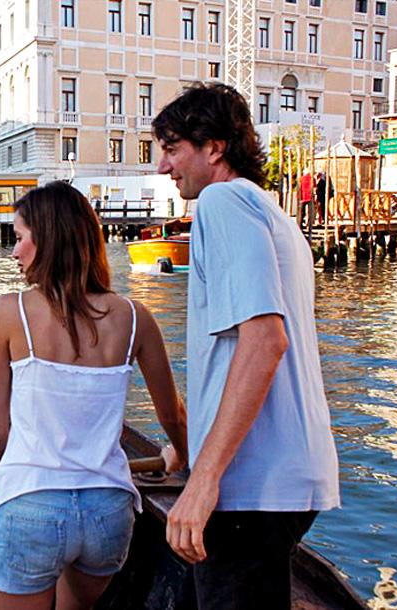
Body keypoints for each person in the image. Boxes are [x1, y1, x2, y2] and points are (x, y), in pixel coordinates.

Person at [151, 82, 341, 609]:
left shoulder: (222, 201)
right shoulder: (272, 212)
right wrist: (189, 452)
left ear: (214, 147)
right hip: (285, 475)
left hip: (251, 486)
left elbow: (264, 341)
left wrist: (204, 479)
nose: (165, 167)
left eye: (172, 148)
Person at [0, 181, 188, 610]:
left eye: (20, 239)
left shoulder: (8, 313)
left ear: (48, 240)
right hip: (107, 513)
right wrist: (180, 457)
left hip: (32, 506)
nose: (15, 252)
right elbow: (173, 416)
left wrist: (22, 468)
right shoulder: (135, 317)